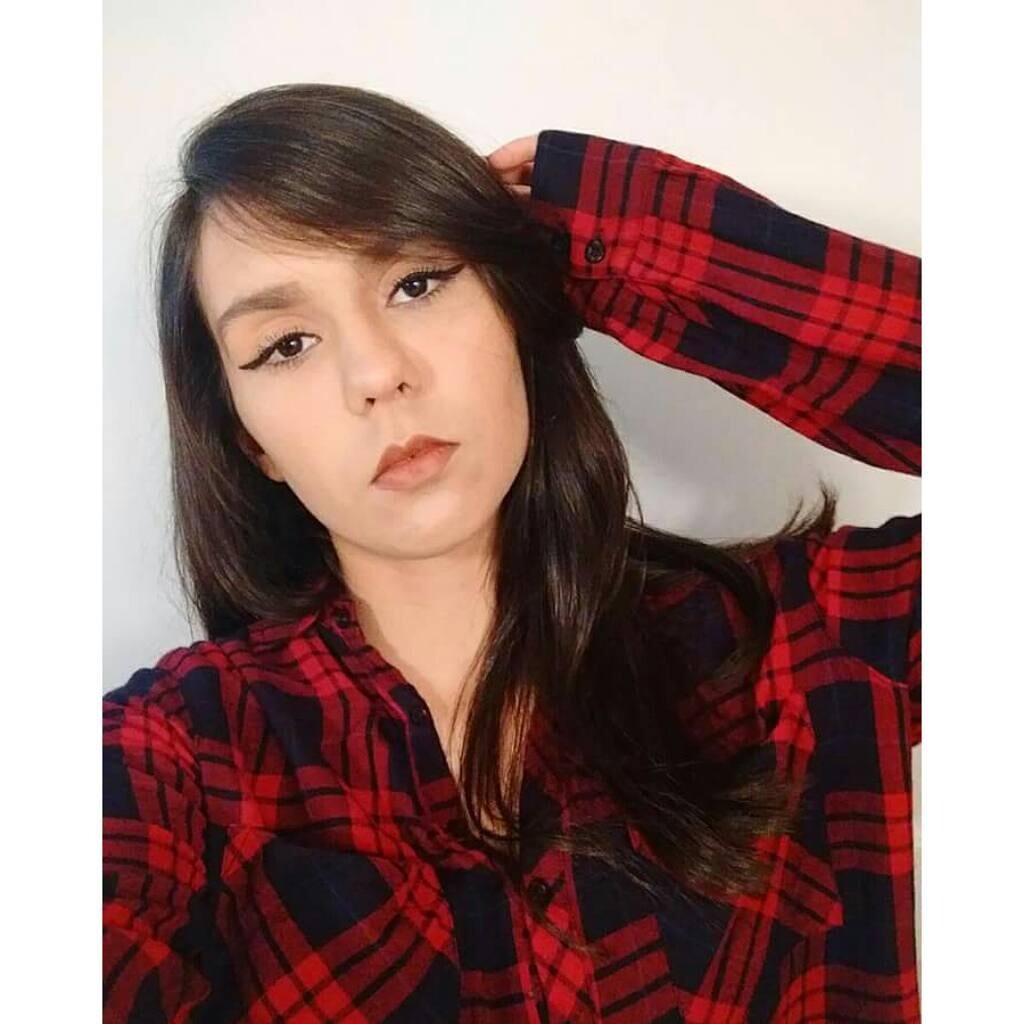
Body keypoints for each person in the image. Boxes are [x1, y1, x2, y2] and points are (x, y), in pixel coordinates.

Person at [103, 83, 920, 1023]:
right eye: (286, 343)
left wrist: (623, 235)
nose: (378, 375)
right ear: (251, 441)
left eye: (417, 283)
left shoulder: (799, 641)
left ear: (515, 313)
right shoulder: (169, 765)